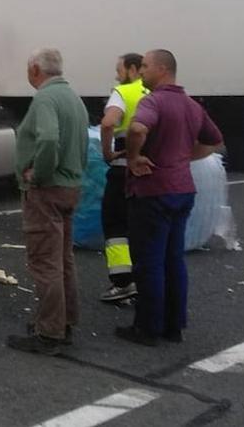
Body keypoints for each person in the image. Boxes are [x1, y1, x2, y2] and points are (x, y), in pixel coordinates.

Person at [117, 49, 224, 347]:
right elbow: (214, 141)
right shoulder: (191, 105)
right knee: (173, 259)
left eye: (146, 67)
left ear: (163, 69)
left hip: (152, 192)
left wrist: (135, 157)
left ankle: (147, 328)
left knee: (148, 262)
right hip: (182, 190)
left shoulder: (153, 101)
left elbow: (138, 128)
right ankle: (173, 326)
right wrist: (182, 159)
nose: (140, 72)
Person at [6, 48, 89, 355]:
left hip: (48, 188)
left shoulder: (44, 99)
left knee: (44, 260)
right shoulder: (73, 98)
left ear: (36, 71)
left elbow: (49, 137)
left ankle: (49, 331)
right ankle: (65, 321)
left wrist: (38, 175)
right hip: (70, 185)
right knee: (64, 258)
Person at [98, 53, 148, 303]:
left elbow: (108, 124)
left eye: (119, 70)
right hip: (148, 172)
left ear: (132, 69)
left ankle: (122, 283)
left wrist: (107, 152)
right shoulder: (152, 93)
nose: (117, 75)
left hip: (122, 171)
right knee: (140, 227)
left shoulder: (124, 92)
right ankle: (144, 280)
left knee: (115, 225)